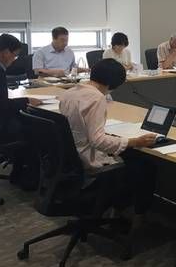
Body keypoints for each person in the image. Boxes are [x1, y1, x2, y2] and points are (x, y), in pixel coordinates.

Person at [59, 59, 157, 218]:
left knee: (132, 156)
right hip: (87, 160)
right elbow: (97, 140)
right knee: (144, 164)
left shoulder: (69, 93)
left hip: (70, 158)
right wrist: (134, 142)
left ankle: (119, 209)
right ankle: (135, 215)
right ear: (113, 84)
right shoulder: (96, 98)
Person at [0, 34, 42, 189]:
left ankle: (19, 173)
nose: (14, 59)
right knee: (33, 130)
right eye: (15, 55)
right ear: (5, 52)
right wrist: (26, 101)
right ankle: (26, 178)